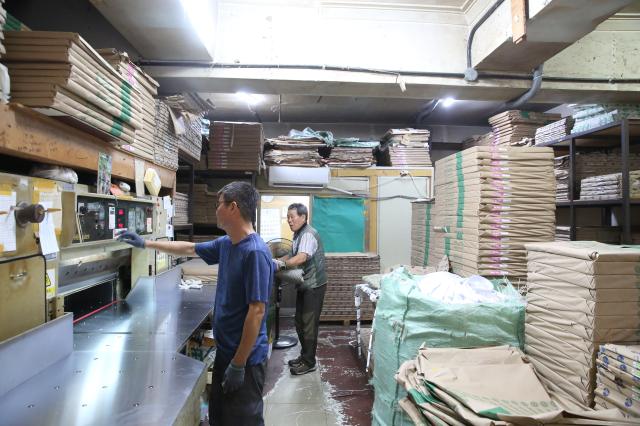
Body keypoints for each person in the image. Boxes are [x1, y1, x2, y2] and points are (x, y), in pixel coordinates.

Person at [118, 181, 273, 426]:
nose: (215, 210)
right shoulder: (227, 244)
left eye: (218, 204)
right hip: (227, 353)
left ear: (233, 207)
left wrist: (239, 364)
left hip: (245, 360)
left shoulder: (254, 252)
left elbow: (257, 311)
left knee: (244, 420)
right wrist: (146, 244)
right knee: (221, 418)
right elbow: (189, 248)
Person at [276, 203, 327, 375]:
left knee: (308, 325)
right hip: (305, 285)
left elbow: (301, 257)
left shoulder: (308, 234)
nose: (289, 220)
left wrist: (280, 265)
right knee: (299, 322)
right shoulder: (298, 234)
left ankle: (309, 362)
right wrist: (272, 261)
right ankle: (304, 356)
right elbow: (291, 255)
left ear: (303, 217)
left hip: (314, 286)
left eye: (292, 216)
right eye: (288, 217)